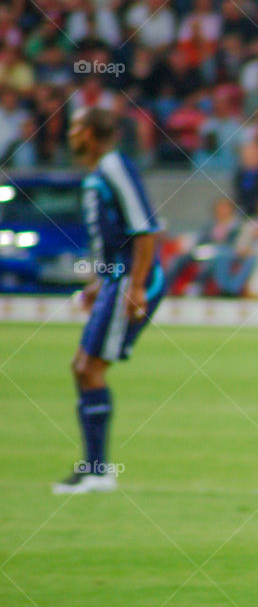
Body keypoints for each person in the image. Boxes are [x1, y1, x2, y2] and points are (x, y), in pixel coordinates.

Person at [53, 108, 165, 494]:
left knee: (88, 367)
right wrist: (98, 283)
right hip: (115, 281)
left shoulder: (115, 166)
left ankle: (99, 471)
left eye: (75, 127)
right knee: (83, 367)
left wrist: (135, 286)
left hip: (130, 280)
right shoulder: (102, 170)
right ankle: (95, 468)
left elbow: (145, 228)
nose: (70, 134)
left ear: (90, 132)